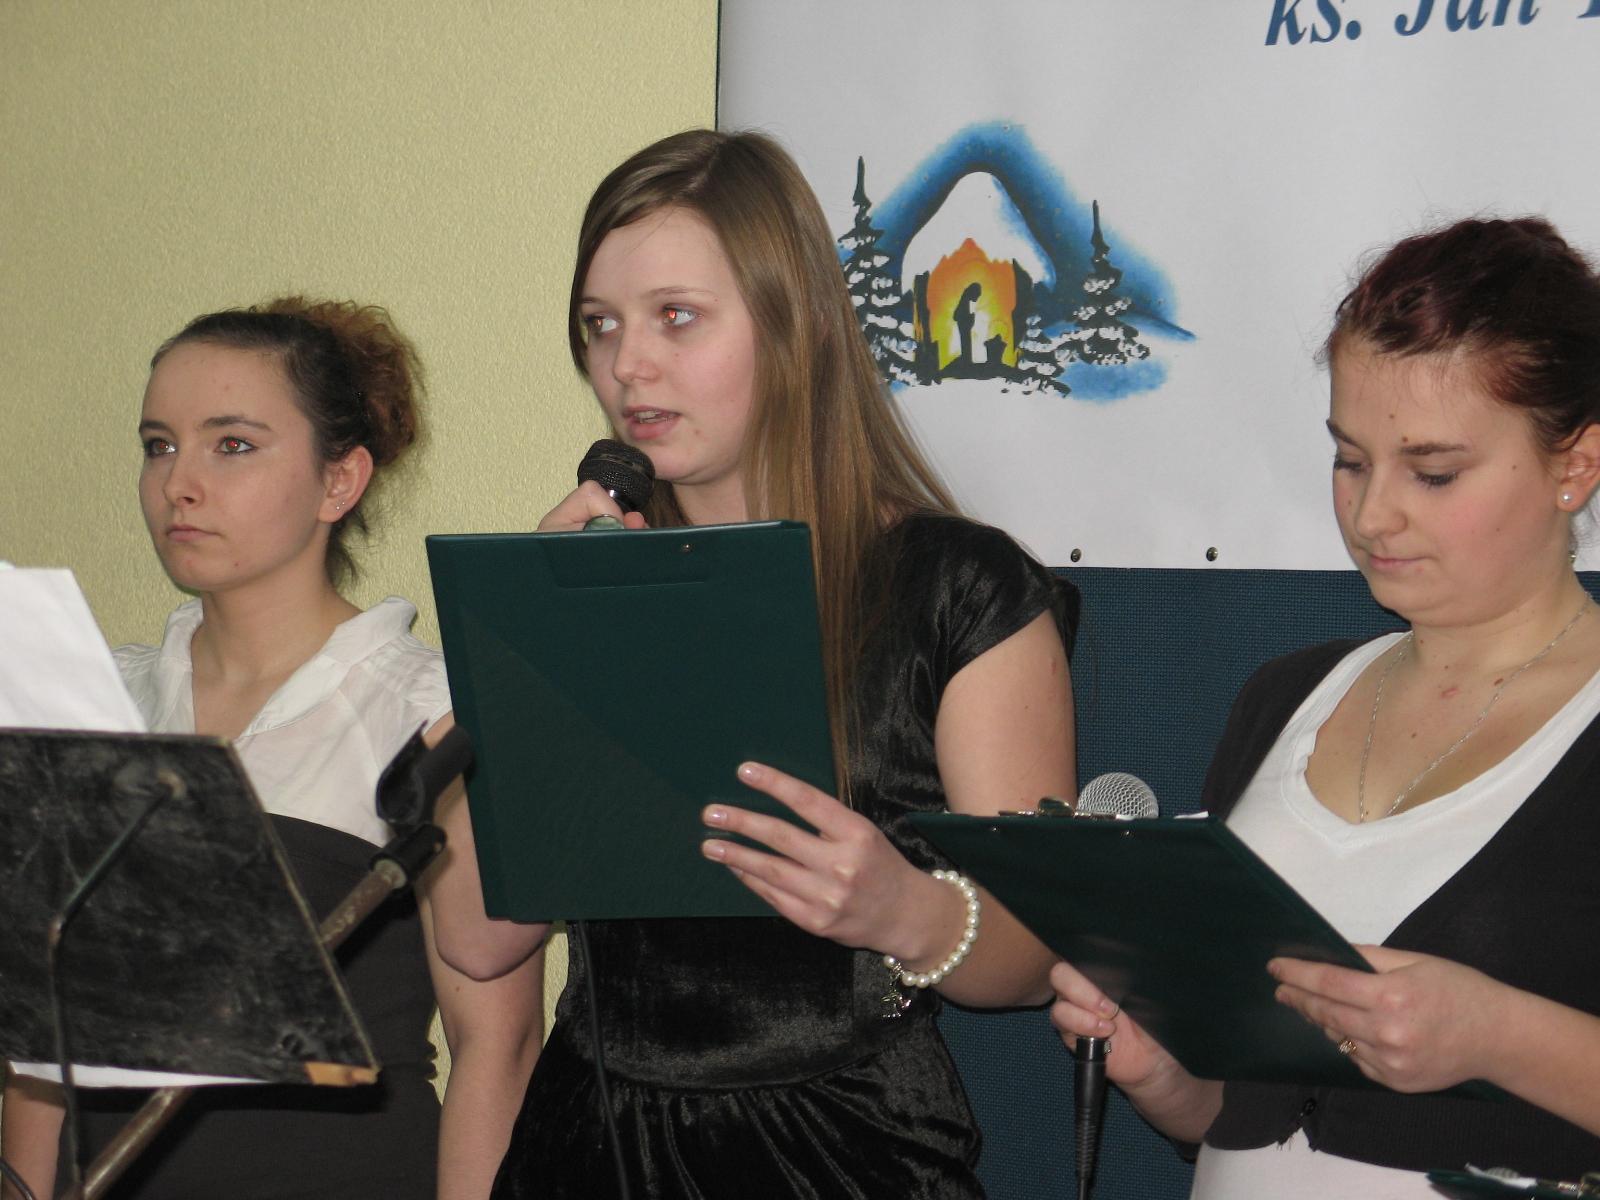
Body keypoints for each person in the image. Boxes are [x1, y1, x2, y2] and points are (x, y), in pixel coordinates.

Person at [426, 129, 1079, 1198]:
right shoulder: (586, 586)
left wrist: (904, 910)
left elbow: (1037, 952)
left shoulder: (958, 590)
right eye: (600, 325)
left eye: (676, 316)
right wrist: (537, 655)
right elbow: (480, 943)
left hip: (843, 1150)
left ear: (796, 323)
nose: (627, 365)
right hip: (587, 1145)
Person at [1050, 216, 1600, 1196]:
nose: (1372, 513)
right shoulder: (1285, 697)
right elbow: (1238, 1115)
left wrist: (1498, 1035)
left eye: (1433, 473)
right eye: (1350, 460)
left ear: (1576, 465)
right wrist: (1164, 1074)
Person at [0, 299, 544, 1200]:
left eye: (232, 444)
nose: (179, 483)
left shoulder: (432, 711)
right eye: (158, 445)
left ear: (340, 481)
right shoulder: (94, 699)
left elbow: (498, 1044)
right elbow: (40, 1048)